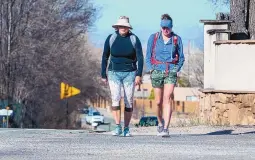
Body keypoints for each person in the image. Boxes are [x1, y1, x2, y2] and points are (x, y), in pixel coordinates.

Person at [101, 16, 144, 137]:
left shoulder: (134, 39)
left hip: (130, 73)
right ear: (117, 27)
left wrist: (139, 75)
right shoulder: (111, 38)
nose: (123, 28)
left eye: (125, 26)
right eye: (121, 26)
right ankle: (117, 126)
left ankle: (126, 128)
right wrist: (103, 74)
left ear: (128, 27)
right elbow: (105, 56)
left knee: (128, 100)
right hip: (114, 72)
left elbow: (140, 58)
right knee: (115, 98)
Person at [145, 14, 185, 137]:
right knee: (158, 102)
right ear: (160, 27)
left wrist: (176, 69)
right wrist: (151, 69)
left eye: (167, 27)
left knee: (167, 98)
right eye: (163, 27)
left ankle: (166, 128)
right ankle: (160, 122)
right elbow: (148, 56)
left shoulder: (177, 39)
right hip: (156, 70)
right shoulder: (154, 37)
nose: (165, 30)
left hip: (171, 71)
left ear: (171, 27)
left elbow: (181, 57)